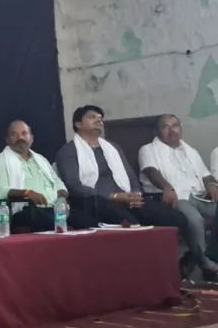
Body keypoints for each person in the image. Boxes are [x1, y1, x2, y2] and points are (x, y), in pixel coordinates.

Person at [56, 105, 199, 277]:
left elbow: (130, 175)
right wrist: (114, 196)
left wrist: (136, 194)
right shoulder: (69, 151)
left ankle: (178, 265)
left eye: (100, 118)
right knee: (132, 225)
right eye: (92, 117)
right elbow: (74, 185)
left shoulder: (112, 147)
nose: (98, 120)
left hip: (128, 199)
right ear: (78, 124)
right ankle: (145, 274)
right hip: (97, 202)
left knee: (176, 218)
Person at [138, 114, 218, 281]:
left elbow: (205, 174)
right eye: (165, 126)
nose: (172, 130)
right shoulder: (148, 150)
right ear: (156, 132)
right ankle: (209, 267)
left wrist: (212, 184)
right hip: (175, 198)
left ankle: (194, 255)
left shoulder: (190, 151)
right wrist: (166, 187)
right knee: (195, 220)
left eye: (175, 125)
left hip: (199, 195)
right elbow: (151, 171)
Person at [0, 120, 96, 231]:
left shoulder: (41, 160)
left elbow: (57, 182)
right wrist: (28, 193)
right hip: (26, 209)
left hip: (54, 208)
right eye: (14, 134)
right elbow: (1, 191)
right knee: (50, 222)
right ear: (7, 140)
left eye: (24, 133)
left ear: (31, 138)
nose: (20, 137)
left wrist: (62, 196)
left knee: (89, 222)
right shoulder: (0, 161)